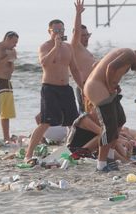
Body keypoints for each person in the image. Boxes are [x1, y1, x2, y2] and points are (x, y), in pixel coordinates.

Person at [24, 19, 83, 162]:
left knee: (73, 122)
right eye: (56, 31)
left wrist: (82, 87)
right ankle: (28, 155)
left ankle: (69, 150)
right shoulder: (45, 46)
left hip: (65, 89)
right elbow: (44, 63)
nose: (59, 33)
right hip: (50, 88)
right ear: (49, 31)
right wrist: (55, 47)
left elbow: (74, 69)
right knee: (45, 122)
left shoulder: (68, 48)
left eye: (61, 30)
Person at [83, 48, 136, 172]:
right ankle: (101, 164)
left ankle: (110, 156)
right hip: (97, 88)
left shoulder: (127, 56)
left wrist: (114, 84)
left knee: (120, 119)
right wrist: (109, 86)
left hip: (101, 86)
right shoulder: (130, 54)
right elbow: (111, 67)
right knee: (109, 127)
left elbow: (97, 65)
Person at [66, 97, 132, 162]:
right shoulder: (85, 119)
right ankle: (126, 162)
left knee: (112, 142)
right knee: (104, 137)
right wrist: (121, 140)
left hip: (89, 150)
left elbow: (113, 135)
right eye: (99, 110)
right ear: (90, 107)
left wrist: (125, 141)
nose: (102, 113)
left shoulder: (101, 121)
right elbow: (105, 134)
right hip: (74, 153)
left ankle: (126, 158)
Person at [71, 0, 96, 113]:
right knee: (88, 117)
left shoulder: (84, 51)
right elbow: (76, 32)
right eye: (83, 35)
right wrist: (78, 13)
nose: (86, 37)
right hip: (83, 87)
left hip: (92, 87)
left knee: (95, 117)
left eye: (87, 35)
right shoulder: (75, 47)